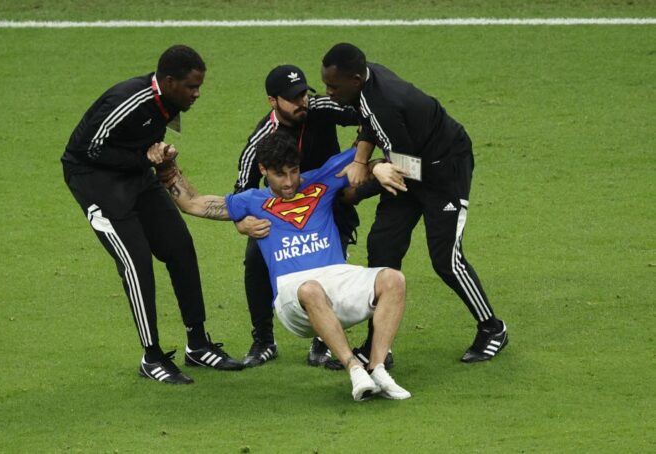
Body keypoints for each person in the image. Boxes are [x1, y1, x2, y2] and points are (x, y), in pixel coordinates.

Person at [156, 133, 411, 401]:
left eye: (294, 171)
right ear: (263, 170)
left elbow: (368, 149)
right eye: (280, 174)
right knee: (311, 289)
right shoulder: (251, 200)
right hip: (293, 293)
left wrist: (376, 166)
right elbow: (193, 203)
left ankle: (378, 368)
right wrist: (166, 167)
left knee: (393, 279)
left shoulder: (324, 178)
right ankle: (354, 368)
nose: (290, 182)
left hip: (337, 278)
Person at [61, 44, 243, 386]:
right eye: (191, 87)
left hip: (137, 176)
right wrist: (145, 159)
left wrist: (159, 156)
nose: (197, 94)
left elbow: (142, 147)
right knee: (137, 263)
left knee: (180, 246)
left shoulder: (167, 102)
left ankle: (198, 343)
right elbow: (86, 150)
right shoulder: (129, 100)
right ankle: (152, 356)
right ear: (170, 81)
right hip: (95, 182)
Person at [321, 43, 508, 363]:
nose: (329, 92)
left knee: (445, 259)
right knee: (382, 249)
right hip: (411, 165)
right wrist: (362, 158)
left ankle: (493, 328)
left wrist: (361, 184)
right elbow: (370, 123)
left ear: (355, 79)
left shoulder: (385, 103)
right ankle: (378, 346)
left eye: (333, 87)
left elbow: (402, 170)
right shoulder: (367, 80)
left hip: (443, 172)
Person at [232, 64, 388, 370]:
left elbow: (370, 117)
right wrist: (242, 224)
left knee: (332, 261)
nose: (302, 101)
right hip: (282, 209)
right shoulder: (260, 141)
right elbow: (241, 190)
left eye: (304, 93)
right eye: (293, 97)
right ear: (272, 101)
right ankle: (264, 340)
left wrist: (362, 152)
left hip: (328, 197)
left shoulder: (320, 107)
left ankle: (324, 340)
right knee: (255, 261)